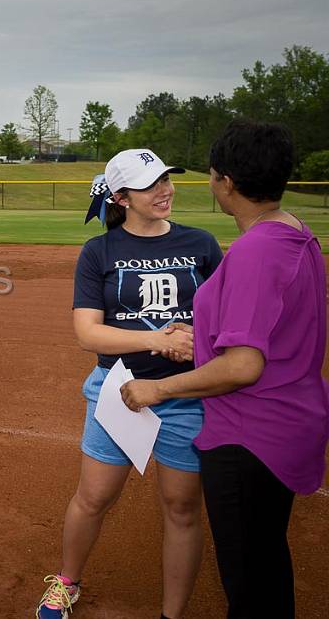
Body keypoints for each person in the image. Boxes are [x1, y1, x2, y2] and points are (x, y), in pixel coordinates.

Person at [121, 121, 329, 619]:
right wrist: (201, 338)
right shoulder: (296, 233)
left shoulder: (255, 251)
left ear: (227, 183)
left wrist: (159, 389)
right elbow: (272, 335)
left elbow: (244, 365)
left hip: (250, 435)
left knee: (249, 582)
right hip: (289, 418)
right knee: (265, 562)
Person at [36, 149, 223, 619]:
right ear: (122, 196)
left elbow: (226, 321)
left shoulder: (201, 243)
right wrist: (158, 340)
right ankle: (66, 582)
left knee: (181, 506)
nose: (164, 190)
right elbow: (88, 332)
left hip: (186, 393)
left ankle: (171, 613)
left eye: (165, 179)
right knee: (95, 496)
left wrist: (196, 342)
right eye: (149, 184)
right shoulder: (100, 251)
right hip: (118, 389)